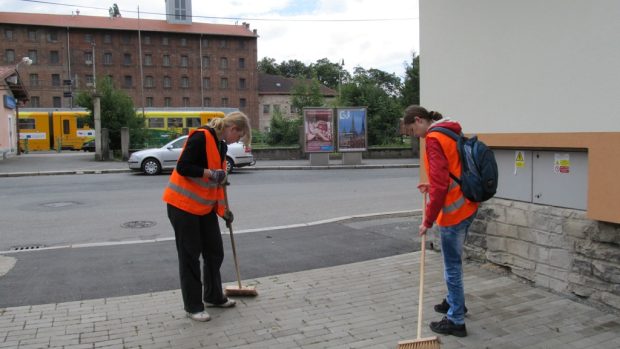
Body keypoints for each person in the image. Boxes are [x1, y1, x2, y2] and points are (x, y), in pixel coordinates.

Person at [162, 111, 252, 322]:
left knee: (214, 252)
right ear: (232, 129)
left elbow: (217, 186)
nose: (235, 142)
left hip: (203, 208)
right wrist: (211, 173)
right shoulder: (200, 137)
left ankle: (213, 296)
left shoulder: (221, 145)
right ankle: (193, 306)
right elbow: (184, 167)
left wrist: (224, 212)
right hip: (182, 207)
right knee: (190, 256)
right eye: (237, 137)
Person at [403, 105, 479, 337]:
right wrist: (432, 186)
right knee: (453, 262)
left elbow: (440, 185)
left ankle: (456, 320)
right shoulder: (449, 130)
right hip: (468, 204)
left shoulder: (434, 139)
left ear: (418, 120)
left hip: (454, 211)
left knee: (452, 266)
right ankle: (455, 302)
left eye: (412, 130)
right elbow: (450, 172)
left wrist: (427, 220)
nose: (414, 136)